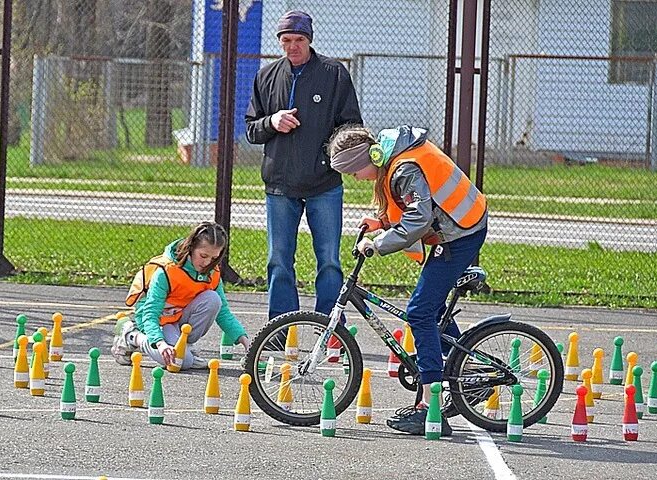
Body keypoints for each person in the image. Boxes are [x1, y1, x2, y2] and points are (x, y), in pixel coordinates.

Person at [328, 124, 488, 436]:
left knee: (419, 312)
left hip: (462, 233)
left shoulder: (403, 166)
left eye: (353, 171)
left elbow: (419, 217)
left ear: (368, 158)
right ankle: (464, 376)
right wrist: (381, 222)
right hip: (456, 227)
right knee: (432, 308)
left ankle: (430, 407)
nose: (355, 178)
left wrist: (378, 243)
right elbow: (410, 204)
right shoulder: (394, 161)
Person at [245, 10, 362, 322]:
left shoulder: (334, 73)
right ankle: (281, 328)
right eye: (286, 40)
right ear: (279, 41)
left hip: (324, 185)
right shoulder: (266, 76)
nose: (292, 46)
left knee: (329, 261)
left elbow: (351, 126)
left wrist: (327, 157)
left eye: (298, 39)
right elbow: (251, 129)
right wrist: (272, 121)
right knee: (279, 260)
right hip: (280, 187)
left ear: (309, 40)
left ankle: (331, 328)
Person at [111, 222, 250, 370]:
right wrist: (160, 343)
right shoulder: (167, 271)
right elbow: (150, 313)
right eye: (203, 255)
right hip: (157, 322)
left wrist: (247, 343)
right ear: (191, 248)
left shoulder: (212, 273)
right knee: (181, 362)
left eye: (214, 258)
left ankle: (185, 348)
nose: (207, 262)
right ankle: (131, 336)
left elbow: (223, 313)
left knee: (213, 299)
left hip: (178, 319)